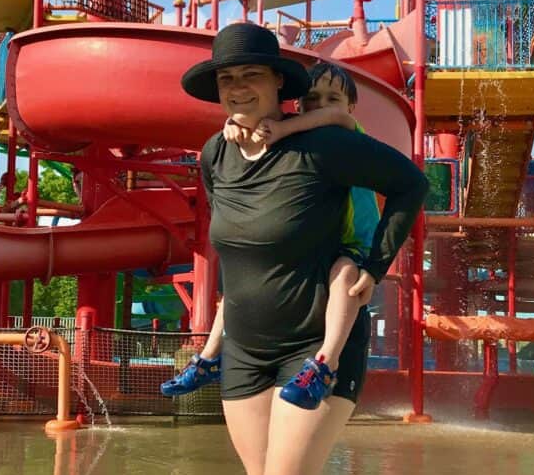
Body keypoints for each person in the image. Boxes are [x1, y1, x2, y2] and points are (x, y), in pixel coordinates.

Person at [178, 22, 427, 475]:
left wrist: (374, 268)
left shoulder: (324, 146)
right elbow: (233, 248)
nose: (239, 87)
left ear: (277, 85)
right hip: (247, 353)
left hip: (315, 349)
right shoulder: (214, 157)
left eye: (252, 76)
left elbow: (410, 182)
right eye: (228, 79)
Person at [162, 61, 379, 405]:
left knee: (345, 275)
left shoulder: (348, 130)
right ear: (297, 103)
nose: (321, 106)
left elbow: (335, 120)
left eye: (332, 98)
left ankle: (327, 361)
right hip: (313, 240)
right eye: (312, 99)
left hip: (352, 241)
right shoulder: (300, 140)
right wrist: (235, 122)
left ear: (351, 107)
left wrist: (266, 126)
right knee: (242, 278)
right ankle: (208, 358)